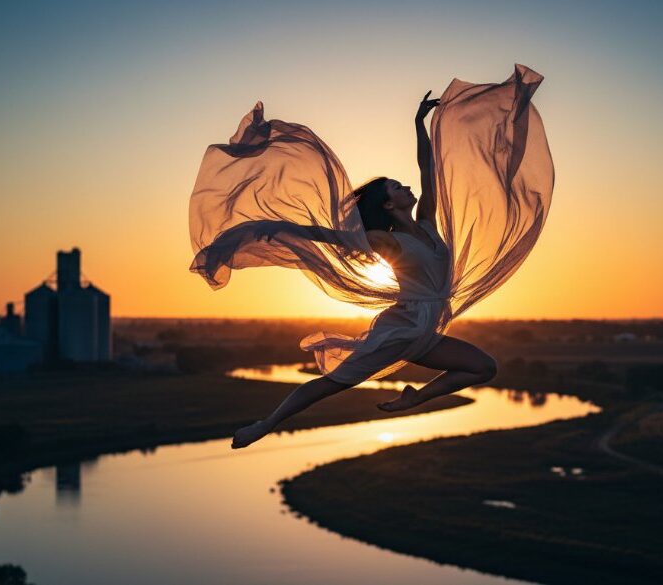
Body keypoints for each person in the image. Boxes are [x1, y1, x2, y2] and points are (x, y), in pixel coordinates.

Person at [188, 64, 554, 449]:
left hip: (425, 330)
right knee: (331, 385)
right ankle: (265, 424)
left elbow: (428, 168)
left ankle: (415, 398)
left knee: (484, 368)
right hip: (403, 329)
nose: (406, 186)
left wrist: (419, 125)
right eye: (396, 186)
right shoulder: (385, 241)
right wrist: (276, 228)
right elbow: (330, 236)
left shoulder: (427, 224)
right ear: (387, 204)